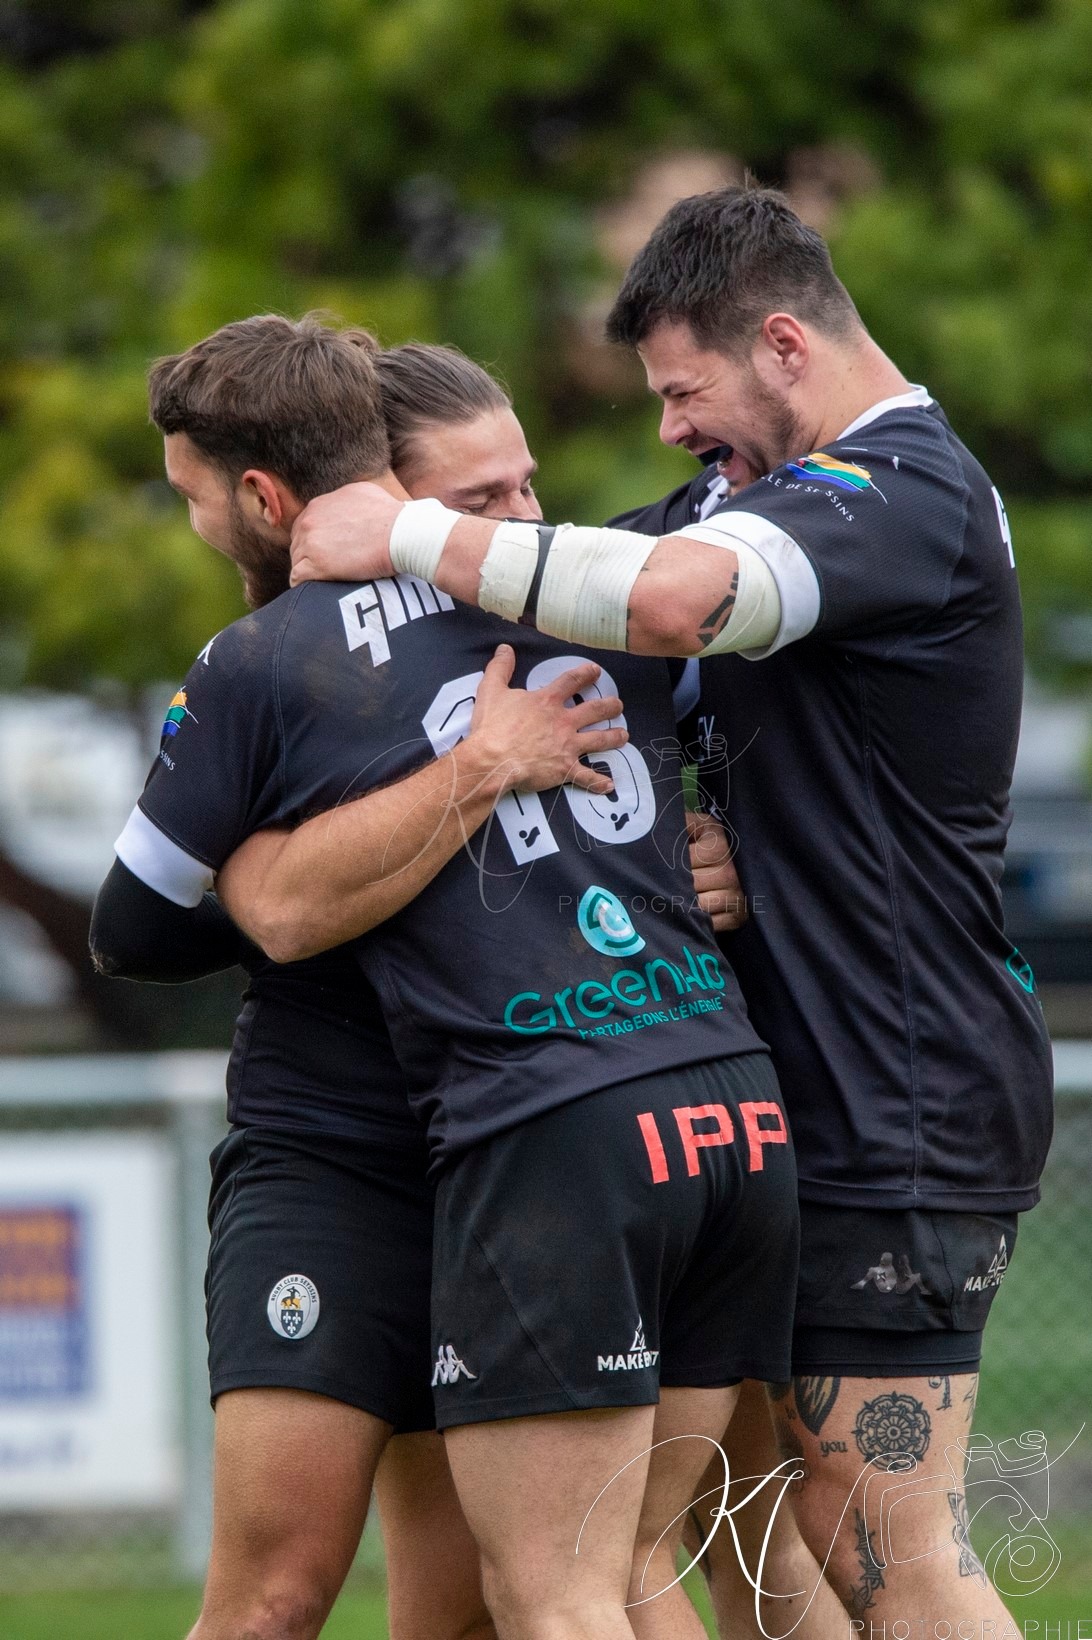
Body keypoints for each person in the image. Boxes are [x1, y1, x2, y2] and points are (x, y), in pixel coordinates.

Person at [285, 185, 1054, 1634]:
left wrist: (399, 534)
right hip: (769, 1090)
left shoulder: (905, 491)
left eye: (684, 392)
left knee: (877, 1531)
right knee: (761, 1531)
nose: (668, 431)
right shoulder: (750, 493)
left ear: (781, 343)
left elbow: (673, 603)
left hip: (901, 1086)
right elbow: (589, 580)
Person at [94, 314, 799, 1640]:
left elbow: (779, 731)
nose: (522, 521)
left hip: (543, 1125)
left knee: (547, 1586)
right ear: (380, 503)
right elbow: (138, 927)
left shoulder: (589, 603)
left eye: (527, 486)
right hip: (352, 1152)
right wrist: (304, 875)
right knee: (299, 1599)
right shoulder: (274, 669)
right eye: (481, 501)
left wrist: (740, 857)